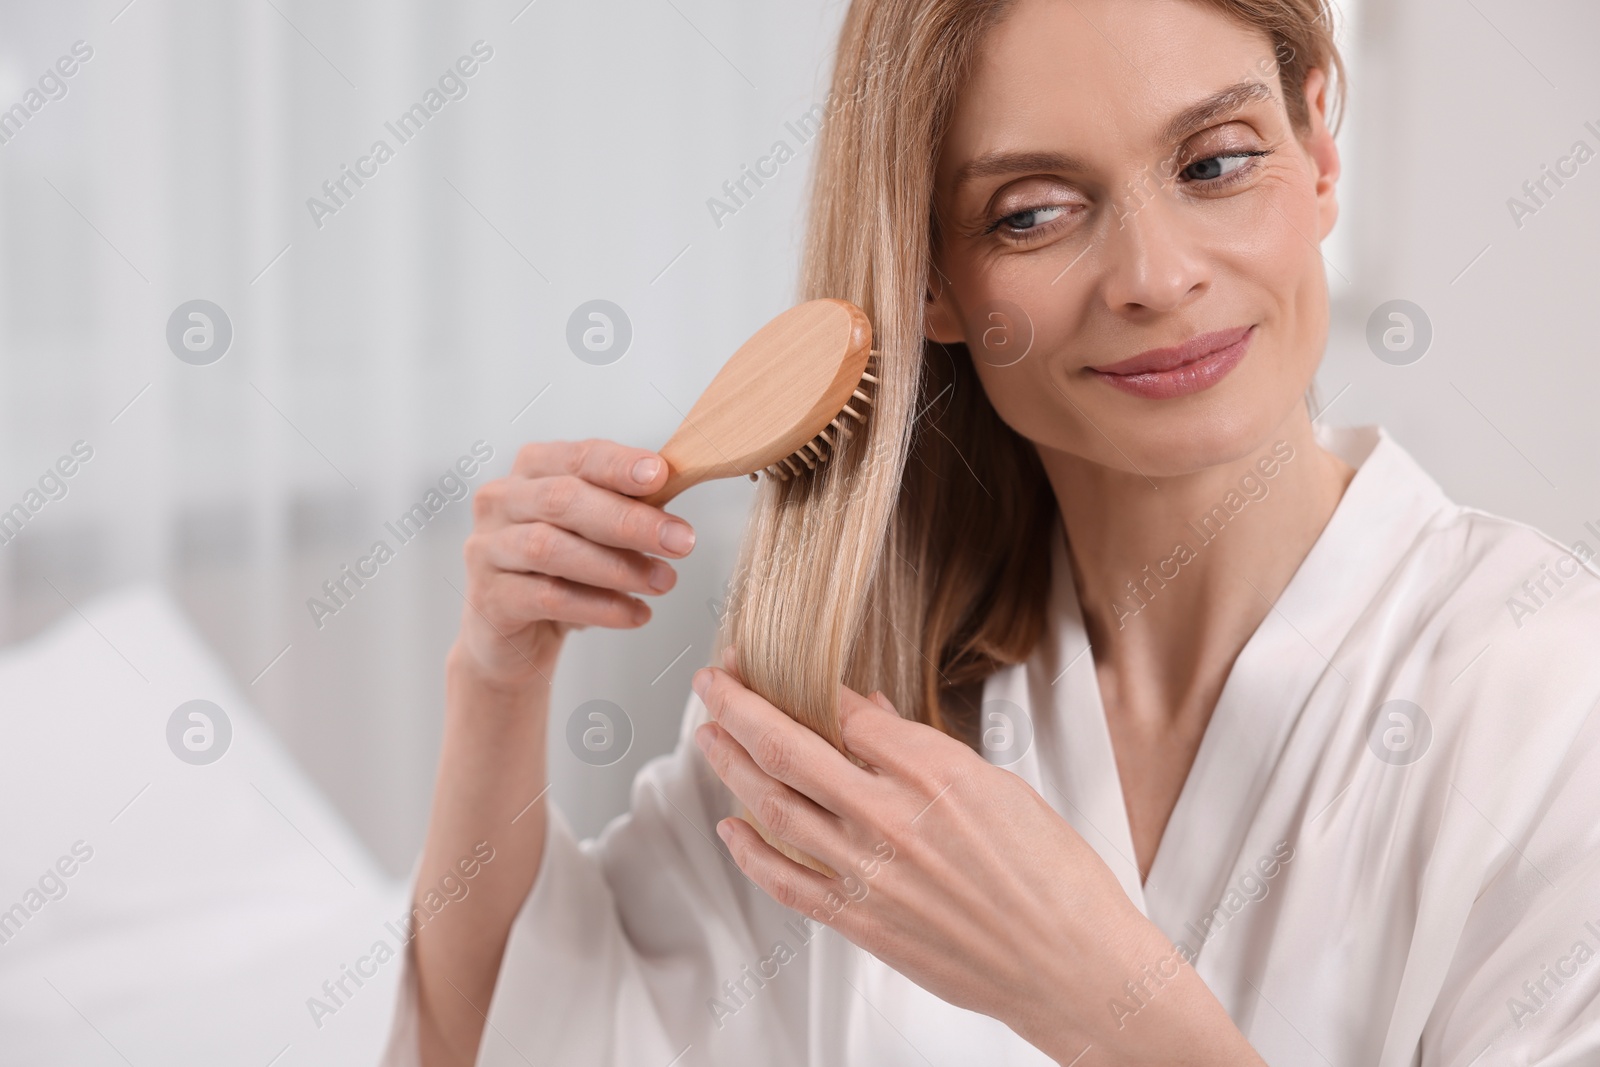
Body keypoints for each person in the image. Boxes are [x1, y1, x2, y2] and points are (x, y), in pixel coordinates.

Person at [384, 0, 1600, 1063]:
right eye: (1031, 212)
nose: (1156, 274)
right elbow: (504, 1038)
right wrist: (496, 677)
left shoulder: (1547, 695)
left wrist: (1097, 999)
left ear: (1319, 144)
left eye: (1217, 162)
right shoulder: (851, 716)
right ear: (928, 281)